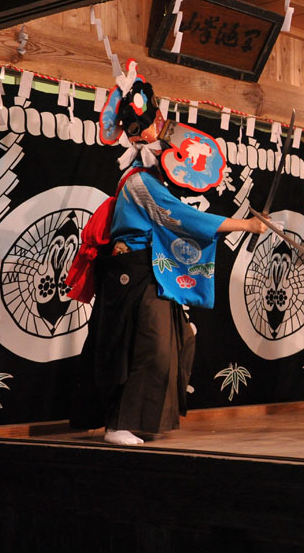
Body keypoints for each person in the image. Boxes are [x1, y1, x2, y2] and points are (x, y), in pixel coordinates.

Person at [69, 64, 266, 446]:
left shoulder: (153, 176)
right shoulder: (139, 182)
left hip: (150, 269)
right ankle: (117, 424)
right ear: (129, 136)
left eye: (150, 125)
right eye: (137, 129)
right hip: (131, 272)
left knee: (178, 339)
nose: (147, 133)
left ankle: (139, 420)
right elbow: (182, 219)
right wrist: (245, 226)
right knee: (146, 346)